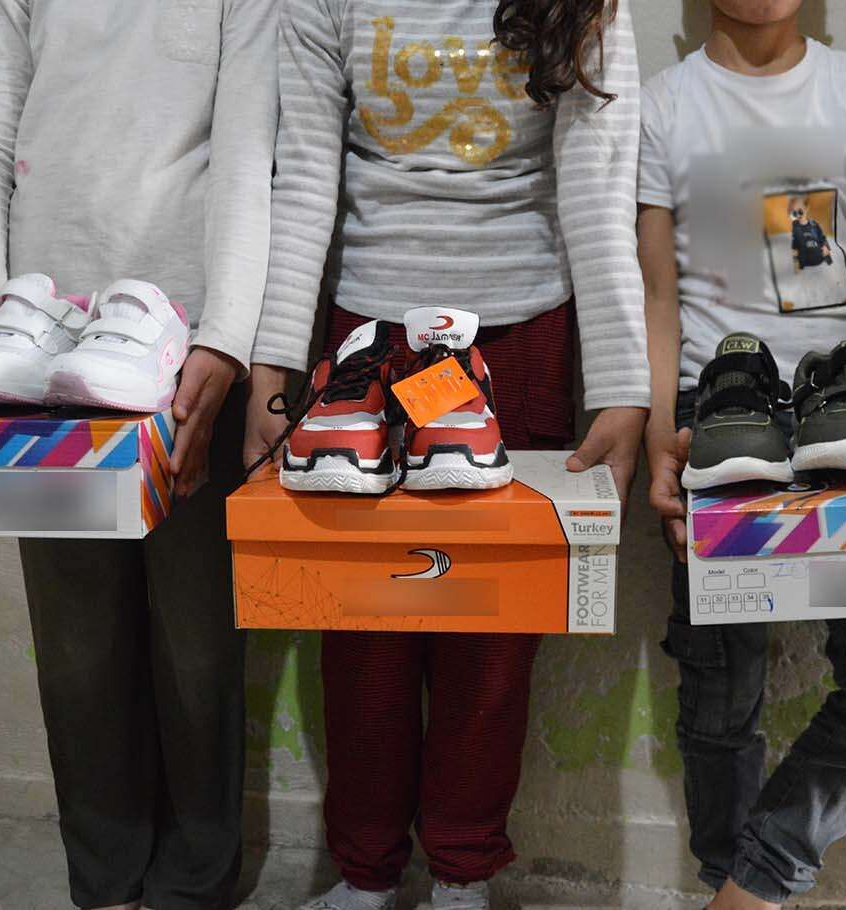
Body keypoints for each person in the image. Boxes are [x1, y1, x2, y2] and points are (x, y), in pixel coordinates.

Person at [244, 1, 649, 907]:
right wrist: (273, 368)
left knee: (491, 641)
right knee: (362, 634)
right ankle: (365, 875)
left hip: (521, 341)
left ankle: (464, 877)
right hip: (362, 343)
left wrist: (622, 385)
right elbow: (303, 176)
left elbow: (597, 185)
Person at [0, 2, 278, 907]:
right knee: (78, 646)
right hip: (36, 344)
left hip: (187, 346)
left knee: (199, 643)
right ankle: (105, 881)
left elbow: (249, 153)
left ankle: (197, 883)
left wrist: (225, 340)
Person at [638, 2, 846, 907]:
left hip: (844, 415)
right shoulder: (662, 104)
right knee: (722, 689)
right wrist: (659, 442)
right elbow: (654, 294)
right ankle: (722, 876)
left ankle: (753, 883)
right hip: (715, 419)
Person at [787, 195, 831, 270]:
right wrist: (796, 262)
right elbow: (795, 245)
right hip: (805, 262)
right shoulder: (796, 227)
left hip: (819, 260)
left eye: (800, 211)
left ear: (806, 208)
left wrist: (826, 249)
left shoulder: (814, 224)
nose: (798, 214)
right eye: (794, 213)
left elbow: (822, 238)